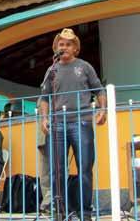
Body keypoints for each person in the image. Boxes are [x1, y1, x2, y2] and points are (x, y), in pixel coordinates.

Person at [40, 28, 106, 221]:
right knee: (57, 171)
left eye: (69, 44)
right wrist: (44, 118)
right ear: (56, 48)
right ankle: (61, 211)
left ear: (75, 48)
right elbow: (44, 98)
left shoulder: (84, 67)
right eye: (61, 44)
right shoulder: (51, 70)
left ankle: (85, 212)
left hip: (82, 122)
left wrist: (102, 110)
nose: (64, 47)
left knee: (85, 168)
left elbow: (99, 90)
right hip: (57, 124)